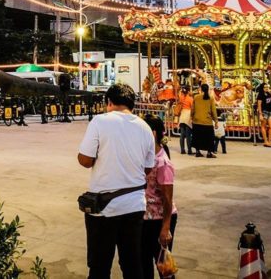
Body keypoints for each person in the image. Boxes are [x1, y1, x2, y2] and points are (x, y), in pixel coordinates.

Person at [77, 83, 155, 279]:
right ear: (132, 104)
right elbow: (148, 167)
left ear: (109, 102)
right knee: (132, 264)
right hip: (135, 205)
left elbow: (85, 160)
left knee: (100, 266)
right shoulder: (145, 127)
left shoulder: (100, 121)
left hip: (105, 208)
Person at [140, 118, 176, 279]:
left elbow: (168, 199)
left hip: (160, 219)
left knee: (163, 265)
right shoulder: (144, 156)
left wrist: (165, 228)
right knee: (143, 263)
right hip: (145, 218)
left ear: (152, 133)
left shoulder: (163, 163)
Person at [191, 83, 219, 158]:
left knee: (197, 137)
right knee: (209, 138)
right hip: (207, 122)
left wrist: (192, 117)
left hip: (197, 121)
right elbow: (213, 110)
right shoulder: (211, 98)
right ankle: (209, 153)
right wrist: (216, 121)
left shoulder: (196, 97)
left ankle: (197, 152)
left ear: (201, 89)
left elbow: (192, 109)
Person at [174, 87, 193, 155]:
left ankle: (182, 150)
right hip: (188, 116)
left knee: (182, 134)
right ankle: (189, 150)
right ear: (188, 92)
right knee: (188, 135)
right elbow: (192, 108)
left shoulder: (181, 98)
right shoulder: (190, 99)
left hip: (182, 116)